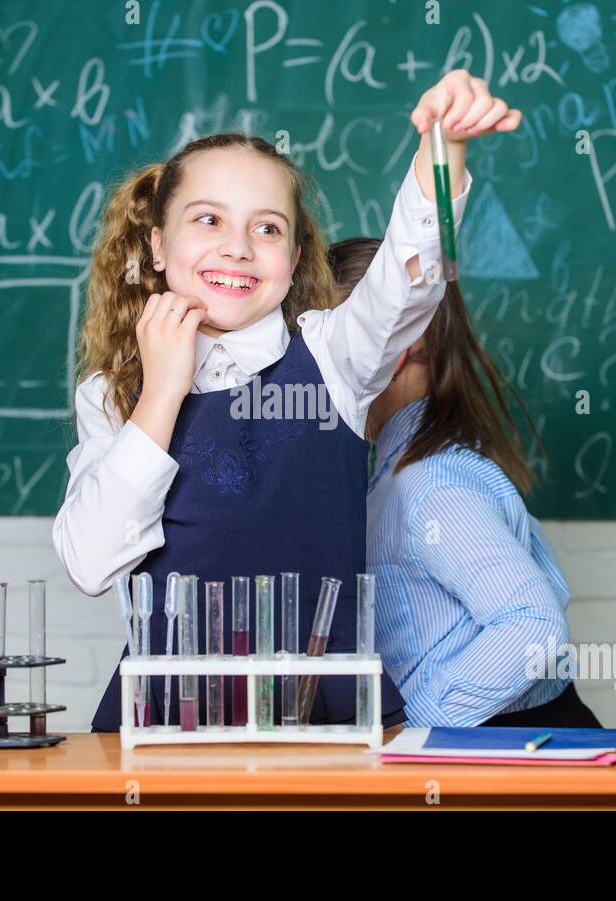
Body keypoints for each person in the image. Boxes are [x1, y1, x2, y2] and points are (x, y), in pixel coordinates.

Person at [53, 72, 524, 731]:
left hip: (327, 722)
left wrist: (442, 151)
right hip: (165, 727)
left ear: (296, 254)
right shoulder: (112, 394)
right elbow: (90, 561)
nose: (237, 247)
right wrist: (161, 393)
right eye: (208, 219)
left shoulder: (334, 357)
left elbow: (412, 275)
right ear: (158, 245)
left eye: (267, 228)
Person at [327, 237, 603, 728]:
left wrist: (414, 731)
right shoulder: (395, 476)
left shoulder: (431, 485)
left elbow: (532, 625)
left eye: (335, 339)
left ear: (399, 341)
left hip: (514, 751)